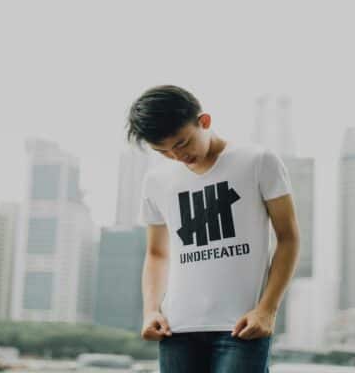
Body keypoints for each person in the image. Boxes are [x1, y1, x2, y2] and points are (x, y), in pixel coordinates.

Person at [125, 85, 300, 373]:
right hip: (176, 329)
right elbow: (157, 254)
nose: (176, 156)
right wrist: (150, 311)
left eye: (182, 143)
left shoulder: (258, 161)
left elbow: (289, 238)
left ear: (204, 122)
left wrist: (267, 310)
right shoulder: (156, 181)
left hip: (241, 327)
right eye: (163, 151)